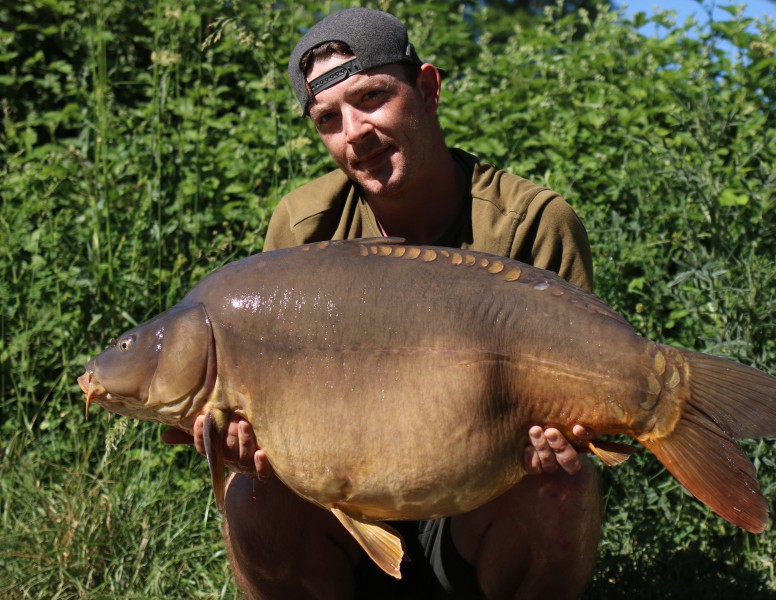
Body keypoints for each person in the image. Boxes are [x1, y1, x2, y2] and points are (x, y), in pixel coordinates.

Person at [164, 8, 602, 599]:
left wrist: (567, 434)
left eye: (371, 97)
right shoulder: (303, 228)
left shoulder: (530, 225)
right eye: (328, 119)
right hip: (345, 516)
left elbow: (583, 393)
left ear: (427, 89)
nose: (354, 132)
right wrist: (246, 439)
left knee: (562, 485)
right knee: (253, 493)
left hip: (480, 499)